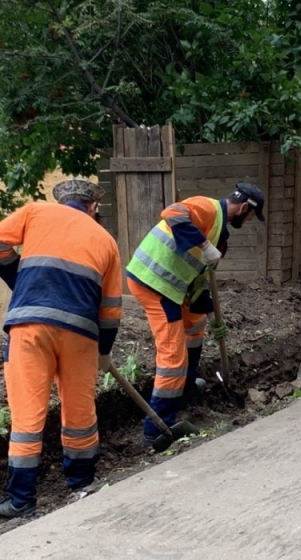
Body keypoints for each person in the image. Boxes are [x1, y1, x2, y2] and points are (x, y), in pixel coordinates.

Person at [0, 179, 122, 518]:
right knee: (79, 412)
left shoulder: (35, 212)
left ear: (62, 200)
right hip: (81, 333)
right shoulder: (106, 240)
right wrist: (105, 351)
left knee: (27, 416)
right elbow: (111, 308)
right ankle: (81, 483)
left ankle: (21, 499)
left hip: (29, 326)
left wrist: (19, 279)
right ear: (93, 207)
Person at [125, 183, 265, 446]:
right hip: (153, 281)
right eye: (249, 217)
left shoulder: (220, 238)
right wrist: (203, 244)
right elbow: (172, 213)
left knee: (195, 325)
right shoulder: (207, 207)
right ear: (245, 207)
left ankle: (185, 389)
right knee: (172, 357)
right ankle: (157, 427)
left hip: (176, 287)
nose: (248, 221)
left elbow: (198, 282)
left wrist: (212, 314)